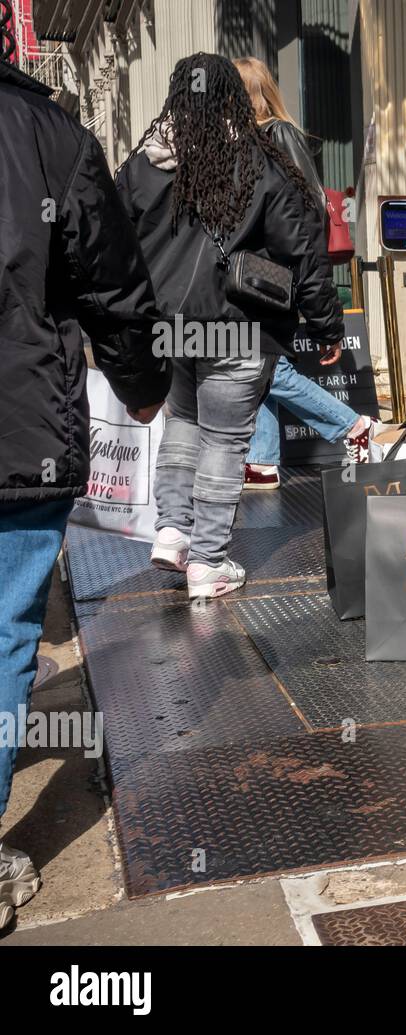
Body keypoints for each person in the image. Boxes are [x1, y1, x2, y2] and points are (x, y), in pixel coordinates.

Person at [0, 48, 170, 930]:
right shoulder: (49, 136)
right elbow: (112, 280)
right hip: (18, 426)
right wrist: (143, 382)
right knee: (3, 634)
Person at [116, 53, 344, 598]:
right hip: (238, 326)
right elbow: (302, 252)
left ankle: (171, 532)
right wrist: (326, 324)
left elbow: (113, 245)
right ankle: (209, 562)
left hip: (170, 327)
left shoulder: (143, 165)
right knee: (224, 440)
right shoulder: (259, 162)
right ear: (233, 100)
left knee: (182, 425)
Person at [235, 56, 376, 489]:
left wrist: (307, 280)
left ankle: (353, 424)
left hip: (279, 272)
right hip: (263, 272)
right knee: (258, 359)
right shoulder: (251, 140)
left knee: (266, 364)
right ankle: (262, 459)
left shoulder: (278, 134)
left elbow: (307, 207)